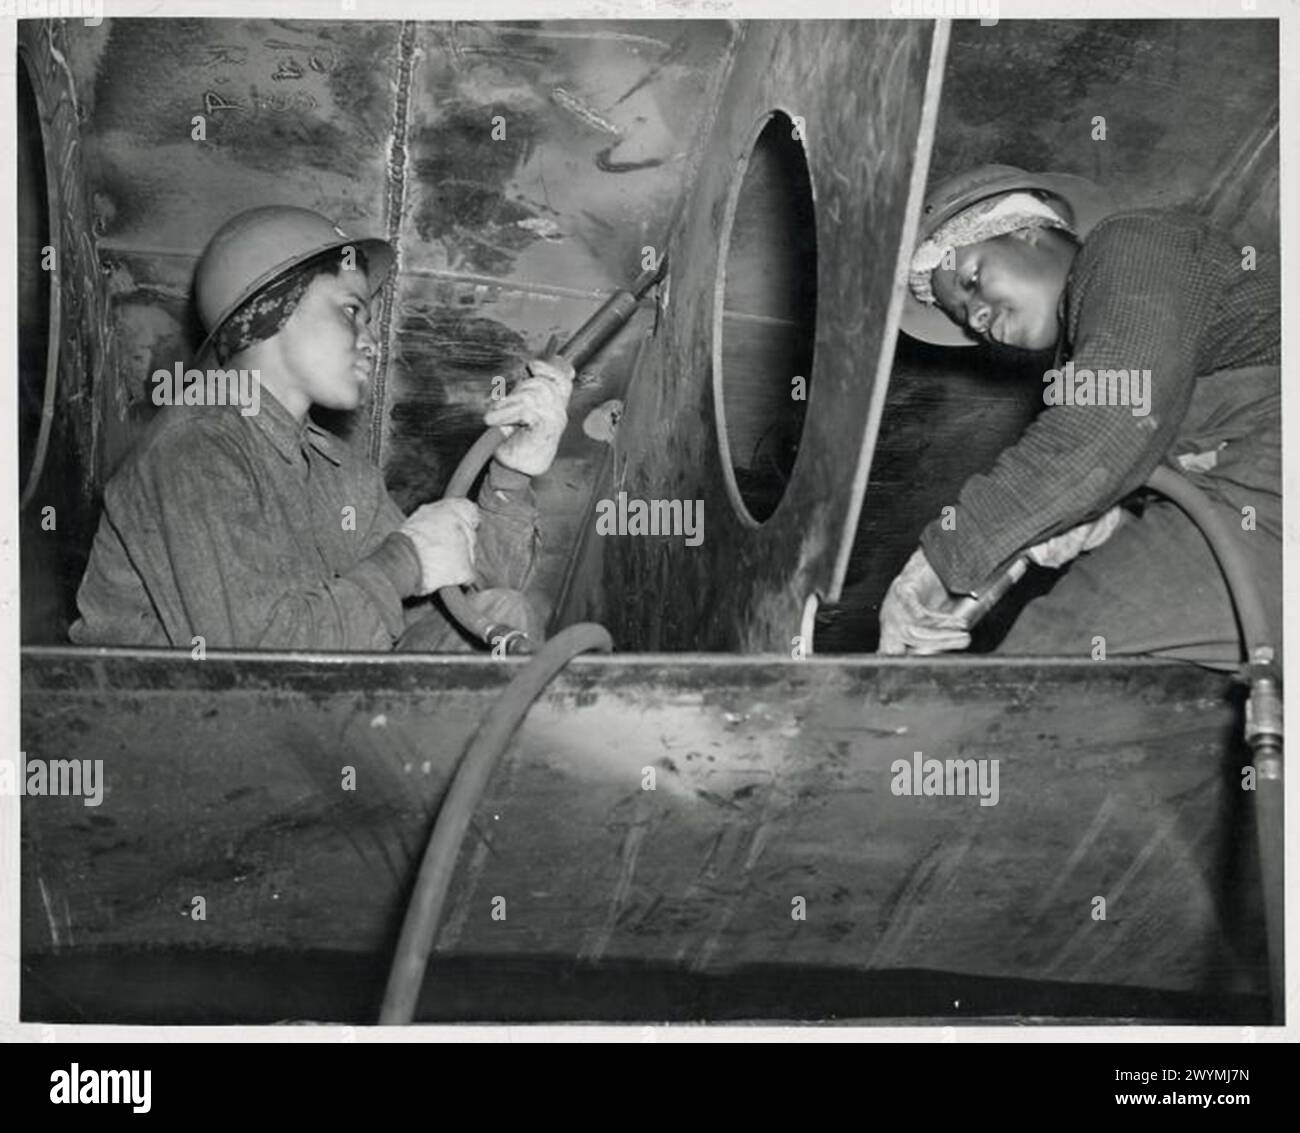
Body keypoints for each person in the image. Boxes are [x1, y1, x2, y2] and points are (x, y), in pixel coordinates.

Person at [69, 206, 573, 651]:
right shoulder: (196, 447)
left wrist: (512, 472)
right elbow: (251, 664)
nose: (372, 341)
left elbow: (462, 600)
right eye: (352, 311)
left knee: (503, 613)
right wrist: (403, 561)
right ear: (272, 309)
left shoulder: (338, 473)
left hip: (293, 732)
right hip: (170, 742)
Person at [879, 165, 1280, 662]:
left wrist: (944, 557)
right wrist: (1102, 519)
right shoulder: (1077, 369)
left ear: (1027, 229)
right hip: (1246, 509)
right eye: (963, 315)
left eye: (972, 280)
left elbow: (1107, 423)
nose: (976, 316)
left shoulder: (1131, 243)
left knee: (1043, 666)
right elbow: (1127, 445)